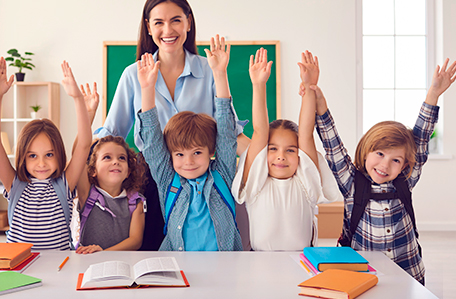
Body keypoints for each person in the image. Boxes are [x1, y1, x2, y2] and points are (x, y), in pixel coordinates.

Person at [94, 0, 247, 251]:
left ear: (188, 21)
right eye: (159, 22)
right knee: (154, 257)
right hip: (151, 179)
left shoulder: (210, 70)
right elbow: (111, 135)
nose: (168, 30)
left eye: (176, 20)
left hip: (203, 174)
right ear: (148, 27)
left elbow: (228, 133)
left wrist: (267, 155)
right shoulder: (134, 74)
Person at [313, 58, 456, 284]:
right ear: (367, 151)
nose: (385, 165)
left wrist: (434, 94)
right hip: (364, 276)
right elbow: (333, 146)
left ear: (406, 164)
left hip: (410, 274)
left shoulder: (405, 180)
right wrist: (320, 104)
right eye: (379, 154)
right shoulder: (352, 183)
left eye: (395, 160)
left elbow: (420, 136)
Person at [136, 35, 242, 251]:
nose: (188, 162)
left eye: (196, 153)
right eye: (180, 154)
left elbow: (226, 129)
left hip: (225, 270)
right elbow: (152, 142)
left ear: (211, 151)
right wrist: (147, 89)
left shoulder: (222, 174)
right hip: (179, 269)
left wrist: (220, 74)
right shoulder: (168, 179)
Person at [231, 50, 340, 251]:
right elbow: (260, 131)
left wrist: (309, 86)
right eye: (273, 149)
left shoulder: (306, 183)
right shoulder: (256, 183)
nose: (281, 156)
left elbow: (306, 133)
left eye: (290, 150)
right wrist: (259, 85)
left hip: (302, 264)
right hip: (260, 265)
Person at [0, 58, 92, 250]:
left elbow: (84, 144)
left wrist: (77, 98)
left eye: (49, 155)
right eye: (32, 156)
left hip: (59, 266)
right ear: (22, 158)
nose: (41, 163)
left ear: (59, 154)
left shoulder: (64, 184)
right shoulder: (14, 184)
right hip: (18, 267)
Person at [75, 135, 147, 254]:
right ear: (93, 170)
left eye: (121, 158)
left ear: (128, 171)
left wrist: (103, 252)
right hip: (87, 262)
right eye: (107, 157)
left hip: (122, 265)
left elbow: (135, 241)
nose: (115, 162)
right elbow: (79, 151)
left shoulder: (136, 201)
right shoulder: (86, 194)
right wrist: (86, 118)